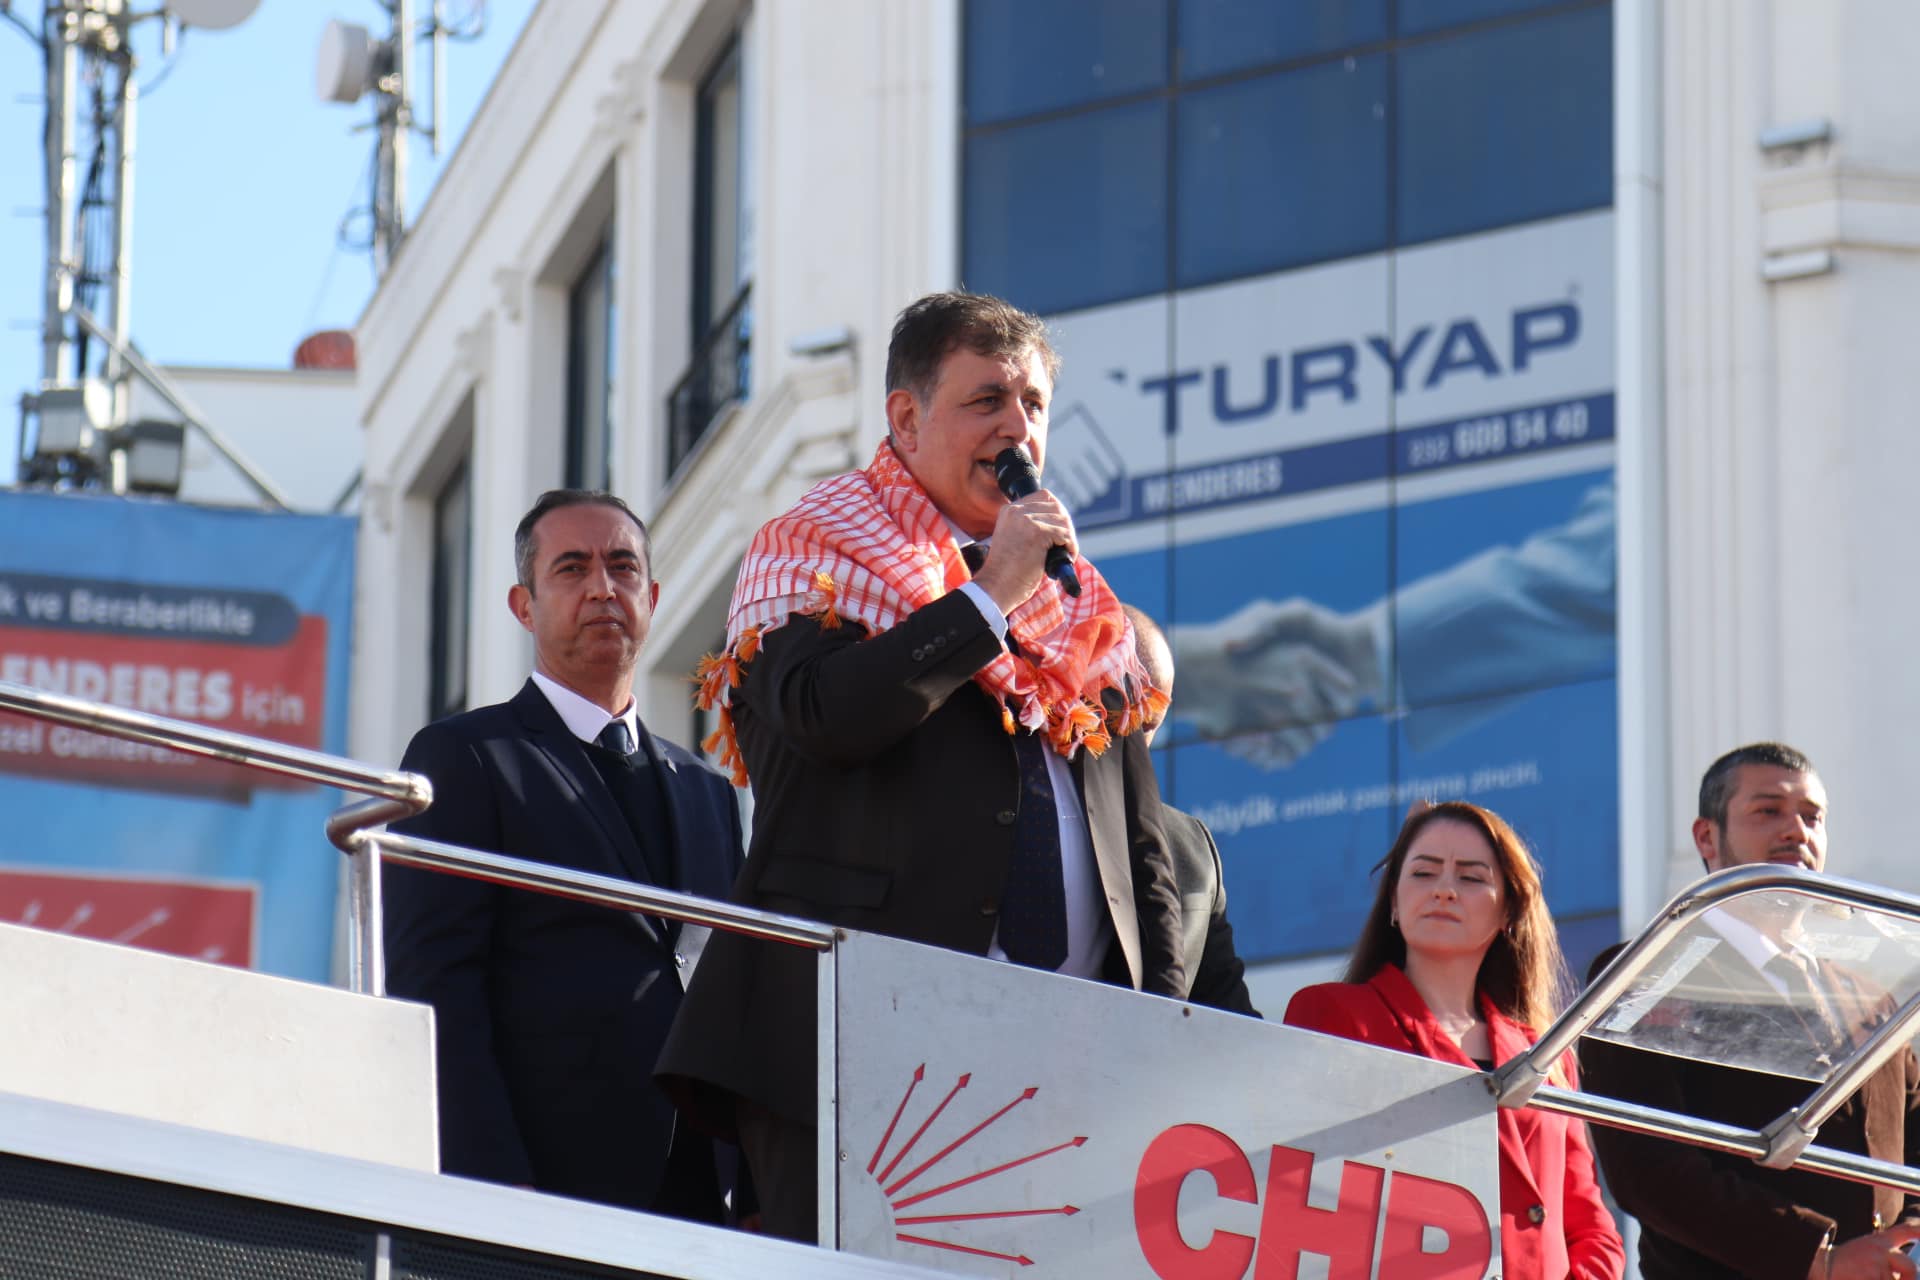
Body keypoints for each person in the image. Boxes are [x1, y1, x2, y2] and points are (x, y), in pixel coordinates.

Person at [658, 291, 1185, 1241]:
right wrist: (990, 596)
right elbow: (825, 718)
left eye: (1033, 403)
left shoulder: (1081, 608)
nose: (1018, 428)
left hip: (1067, 1074)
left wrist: (1168, 1032)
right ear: (905, 418)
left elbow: (1141, 853)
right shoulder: (813, 551)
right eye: (987, 401)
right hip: (854, 1050)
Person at [384, 489, 747, 1222]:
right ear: (524, 606)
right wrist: (487, 1174)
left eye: (623, 567)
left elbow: (736, 992)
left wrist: (758, 1187)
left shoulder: (708, 790)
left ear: (653, 597)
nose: (602, 588)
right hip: (546, 1181)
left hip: (705, 1189)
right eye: (572, 568)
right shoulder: (465, 757)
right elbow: (434, 983)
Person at [1579, 743, 1920, 1280]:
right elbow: (1647, 1168)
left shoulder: (1870, 996)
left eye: (1812, 816)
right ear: (1706, 837)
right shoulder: (1647, 972)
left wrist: (1904, 1242)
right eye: (1768, 811)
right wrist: (1817, 1259)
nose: (1796, 831)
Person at [1284, 801, 1624, 1280]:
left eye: (1470, 877)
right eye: (1423, 873)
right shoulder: (1333, 1016)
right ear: (1394, 902)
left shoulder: (1548, 1054)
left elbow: (1589, 1221)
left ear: (1509, 910)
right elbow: (1303, 1191)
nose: (1444, 890)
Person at [1122, 604, 1257, 1016]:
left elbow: (1228, 1013)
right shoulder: (1016, 816)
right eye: (1117, 708)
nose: (1130, 738)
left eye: (1149, 724)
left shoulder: (1192, 848)